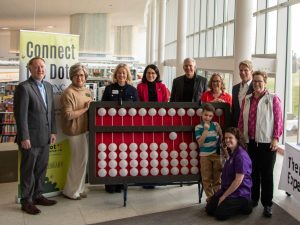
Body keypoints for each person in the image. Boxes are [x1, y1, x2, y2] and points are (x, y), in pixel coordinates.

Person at [13, 56, 57, 215]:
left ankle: (38, 195)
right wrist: (24, 137)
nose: (40, 69)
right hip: (30, 139)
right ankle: (26, 201)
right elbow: (20, 115)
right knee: (28, 171)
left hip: (45, 137)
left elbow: (51, 112)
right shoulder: (24, 88)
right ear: (30, 69)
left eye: (42, 67)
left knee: (41, 169)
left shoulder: (49, 87)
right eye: (36, 67)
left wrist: (53, 131)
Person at [238, 70, 283, 218]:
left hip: (266, 143)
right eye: (255, 81)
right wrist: (241, 138)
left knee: (267, 174)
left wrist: (276, 138)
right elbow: (241, 120)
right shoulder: (247, 99)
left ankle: (267, 204)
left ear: (265, 82)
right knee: (253, 173)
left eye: (260, 81)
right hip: (250, 142)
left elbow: (278, 121)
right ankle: (254, 198)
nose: (257, 84)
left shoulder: (273, 99)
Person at [102, 63, 139, 193]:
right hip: (111, 129)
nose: (121, 75)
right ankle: (111, 185)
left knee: (124, 155)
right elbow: (102, 109)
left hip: (127, 130)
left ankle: (123, 183)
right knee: (110, 155)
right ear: (115, 74)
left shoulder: (133, 91)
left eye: (124, 73)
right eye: (119, 73)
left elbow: (137, 110)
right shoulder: (108, 89)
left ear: (127, 75)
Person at [206, 127, 252, 220]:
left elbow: (238, 181)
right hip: (228, 188)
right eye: (226, 138)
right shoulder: (233, 152)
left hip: (240, 193)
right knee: (210, 209)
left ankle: (245, 206)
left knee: (220, 215)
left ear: (237, 139)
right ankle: (228, 203)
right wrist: (225, 151)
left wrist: (224, 196)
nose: (227, 140)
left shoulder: (241, 156)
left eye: (230, 138)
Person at [60, 63, 92, 200]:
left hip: (85, 130)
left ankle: (80, 188)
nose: (80, 78)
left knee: (83, 161)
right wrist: (85, 109)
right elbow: (68, 115)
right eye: (77, 75)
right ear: (72, 76)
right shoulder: (68, 93)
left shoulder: (86, 90)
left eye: (82, 75)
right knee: (77, 161)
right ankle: (70, 191)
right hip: (74, 132)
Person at [137, 64, 169, 189]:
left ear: (157, 75)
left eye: (153, 73)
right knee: (145, 149)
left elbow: (166, 104)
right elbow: (138, 104)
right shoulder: (140, 87)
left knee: (157, 149)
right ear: (145, 74)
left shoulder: (162, 87)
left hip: (158, 122)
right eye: (149, 73)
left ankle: (156, 177)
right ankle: (144, 178)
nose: (151, 75)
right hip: (144, 121)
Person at [195, 103, 223, 203]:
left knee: (217, 177)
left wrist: (220, 131)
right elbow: (200, 143)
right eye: (206, 115)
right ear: (202, 114)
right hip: (204, 156)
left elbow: (222, 139)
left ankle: (218, 197)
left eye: (210, 116)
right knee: (206, 178)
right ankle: (210, 199)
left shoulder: (215, 125)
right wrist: (205, 130)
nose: (207, 117)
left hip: (216, 154)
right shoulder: (198, 127)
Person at [232, 60, 254, 127]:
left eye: (246, 70)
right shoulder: (235, 88)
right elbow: (234, 109)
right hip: (237, 124)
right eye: (241, 70)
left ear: (251, 72)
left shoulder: (255, 87)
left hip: (250, 125)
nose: (243, 72)